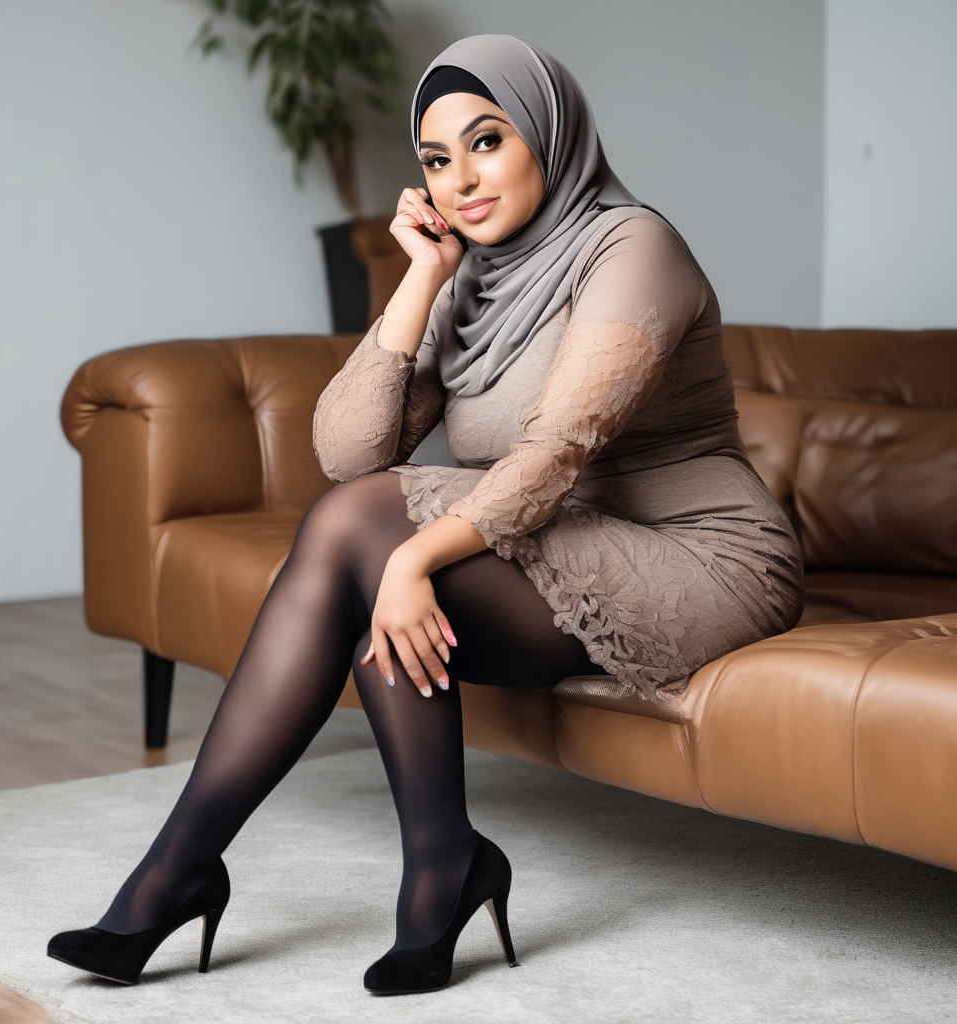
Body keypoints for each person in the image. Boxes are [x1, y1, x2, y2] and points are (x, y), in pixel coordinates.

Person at [47, 34, 803, 996]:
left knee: (374, 542)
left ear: (549, 133)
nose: (462, 181)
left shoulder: (633, 246)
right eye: (437, 161)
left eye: (487, 142)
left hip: (701, 559)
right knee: (360, 543)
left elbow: (557, 452)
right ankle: (426, 866)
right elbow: (351, 452)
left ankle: (185, 879)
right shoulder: (476, 272)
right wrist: (422, 276)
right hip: (557, 540)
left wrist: (413, 561)